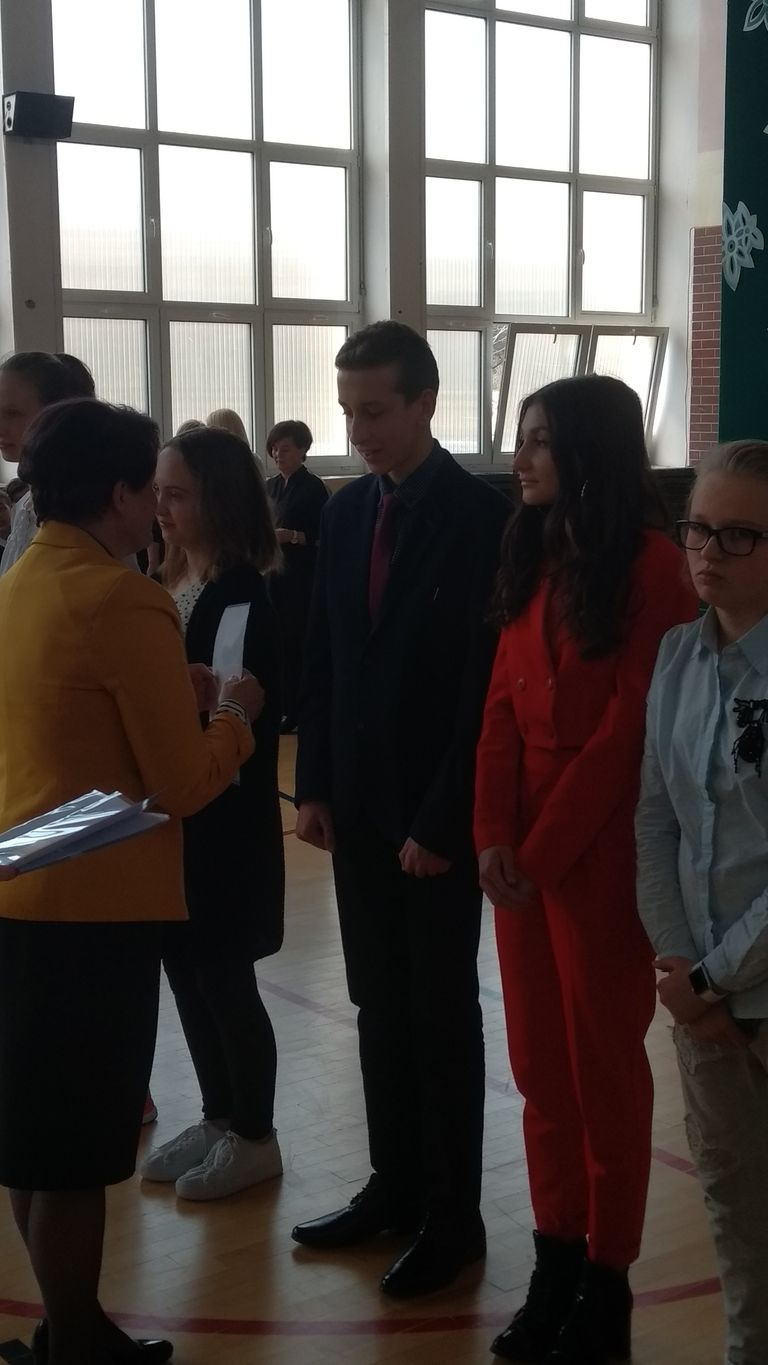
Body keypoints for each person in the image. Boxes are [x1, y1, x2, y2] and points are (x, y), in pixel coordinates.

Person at [0, 398, 262, 1365]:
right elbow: (180, 785)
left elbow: (69, 736)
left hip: (21, 877)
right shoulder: (125, 598)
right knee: (74, 1152)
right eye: (149, 488)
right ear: (118, 494)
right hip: (91, 909)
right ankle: (77, 1343)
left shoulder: (23, 581)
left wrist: (169, 694)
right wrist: (234, 716)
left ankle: (68, 1328)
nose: (157, 507)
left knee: (32, 1140)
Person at [473, 374, 698, 1365]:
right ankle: (556, 1256)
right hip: (522, 855)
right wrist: (492, 834)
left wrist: (540, 850)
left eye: (539, 441)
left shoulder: (655, 569)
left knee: (602, 1070)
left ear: (590, 452)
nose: (520, 459)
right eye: (521, 438)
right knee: (538, 1070)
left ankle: (607, 1279)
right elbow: (497, 710)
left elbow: (627, 732)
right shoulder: (530, 551)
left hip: (599, 855)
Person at [292, 320, 509, 1298]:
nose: (359, 430)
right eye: (348, 411)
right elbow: (325, 656)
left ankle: (454, 1216)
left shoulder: (481, 519)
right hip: (359, 809)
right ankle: (396, 1184)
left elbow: (482, 691)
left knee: (440, 1014)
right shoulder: (346, 514)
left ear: (426, 402)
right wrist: (316, 784)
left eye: (375, 411)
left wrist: (444, 817)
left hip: (436, 816)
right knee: (377, 1004)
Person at [636, 440, 768, 1365]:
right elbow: (657, 823)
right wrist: (681, 968)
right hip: (702, 1005)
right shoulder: (677, 654)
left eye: (738, 534)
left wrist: (717, 976)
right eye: (697, 528)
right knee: (735, 1207)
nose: (708, 551)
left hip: (740, 984)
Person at [140, 426, 285, 1200]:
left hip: (223, 817)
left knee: (224, 975)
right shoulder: (163, 579)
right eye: (157, 492)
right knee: (185, 970)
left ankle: (255, 1132)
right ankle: (219, 1112)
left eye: (177, 494)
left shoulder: (241, 593)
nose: (161, 508)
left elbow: (240, 704)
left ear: (218, 501)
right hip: (172, 814)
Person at [0, 351, 95, 574]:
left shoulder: (83, 509)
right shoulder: (27, 503)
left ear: (56, 414)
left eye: (13, 414)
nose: (1, 427)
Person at [265, 419, 329, 733]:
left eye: (286, 449)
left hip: (301, 576)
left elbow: (324, 536)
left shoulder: (313, 487)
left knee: (297, 640)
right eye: (275, 449)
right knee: (277, 640)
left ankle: (300, 709)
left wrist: (292, 536)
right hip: (274, 573)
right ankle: (282, 705)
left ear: (302, 450)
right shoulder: (270, 486)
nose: (279, 454)